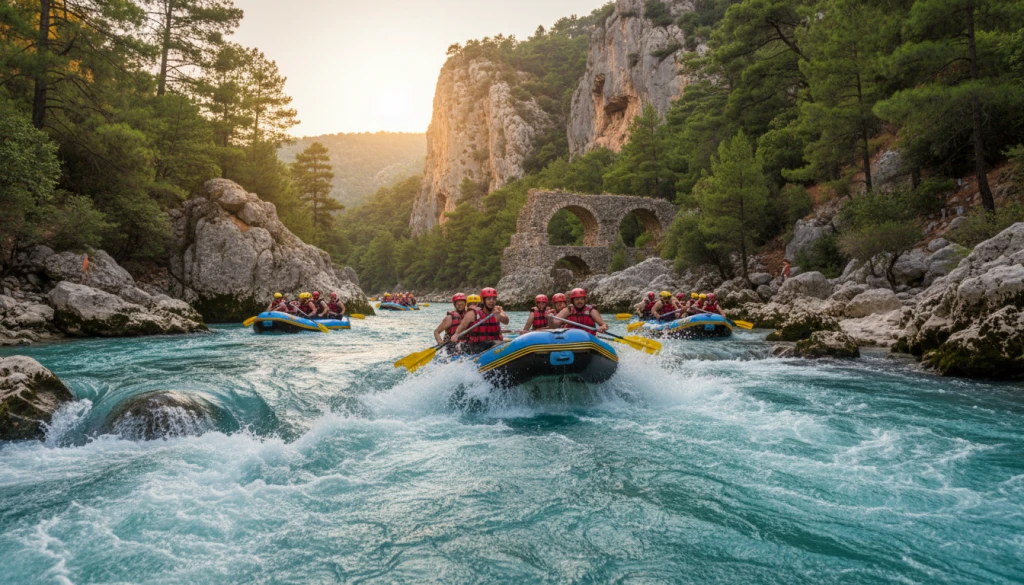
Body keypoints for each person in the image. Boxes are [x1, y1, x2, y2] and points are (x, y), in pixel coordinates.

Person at [453, 287, 508, 355]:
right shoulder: (473, 313)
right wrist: (456, 334)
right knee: (496, 343)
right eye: (488, 299)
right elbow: (462, 326)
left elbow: (506, 322)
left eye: (494, 299)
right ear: (482, 300)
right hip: (475, 345)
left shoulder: (498, 311)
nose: (491, 301)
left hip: (494, 343)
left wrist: (499, 315)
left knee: (497, 343)